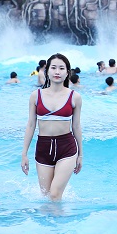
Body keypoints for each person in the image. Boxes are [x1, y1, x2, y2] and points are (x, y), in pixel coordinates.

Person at [21, 53, 83, 201]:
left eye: (61, 68)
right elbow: (31, 125)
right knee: (46, 196)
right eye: (53, 68)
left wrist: (80, 154)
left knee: (55, 194)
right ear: (47, 71)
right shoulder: (36, 95)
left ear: (67, 72)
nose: (57, 72)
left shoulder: (75, 97)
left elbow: (76, 126)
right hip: (43, 148)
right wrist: (24, 154)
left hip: (66, 148)